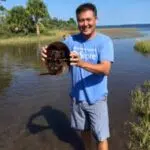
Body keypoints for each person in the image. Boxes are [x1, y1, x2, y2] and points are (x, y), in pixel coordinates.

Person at [41, 3, 114, 150]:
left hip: (97, 100)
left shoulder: (105, 42)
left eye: (88, 19)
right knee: (84, 131)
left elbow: (106, 69)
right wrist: (45, 53)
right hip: (77, 99)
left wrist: (81, 63)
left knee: (101, 136)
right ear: (77, 21)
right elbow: (56, 50)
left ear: (96, 20)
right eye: (81, 20)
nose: (85, 24)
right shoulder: (71, 41)